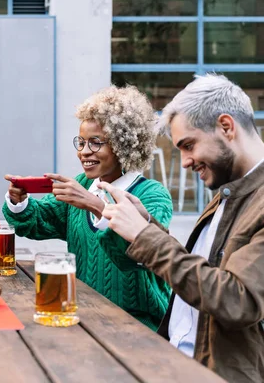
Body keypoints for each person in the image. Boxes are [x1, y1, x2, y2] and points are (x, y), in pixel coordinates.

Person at [101, 74, 264, 383]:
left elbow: (237, 299)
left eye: (189, 145)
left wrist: (145, 237)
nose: (186, 162)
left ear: (226, 127)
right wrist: (147, 225)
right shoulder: (228, 192)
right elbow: (204, 271)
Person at [3, 86, 173, 331]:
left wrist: (94, 205)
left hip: (138, 326)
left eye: (95, 143)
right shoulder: (83, 184)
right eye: (81, 142)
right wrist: (19, 201)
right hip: (83, 318)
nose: (84, 152)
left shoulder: (152, 195)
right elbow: (39, 221)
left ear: (123, 145)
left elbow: (138, 254)